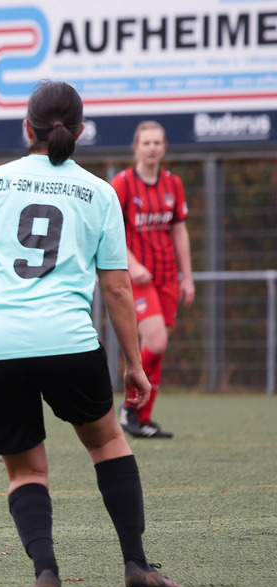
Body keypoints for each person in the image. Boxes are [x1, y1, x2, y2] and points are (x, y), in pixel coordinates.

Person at [0, 81, 180, 587]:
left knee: (26, 471)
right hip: (65, 342)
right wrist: (135, 364)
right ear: (79, 131)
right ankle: (136, 564)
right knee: (108, 442)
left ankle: (46, 573)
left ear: (27, 128)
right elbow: (115, 286)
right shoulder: (100, 192)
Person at [111, 121, 193, 438]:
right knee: (156, 342)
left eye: (157, 142)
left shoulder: (173, 184)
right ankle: (129, 407)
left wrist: (187, 277)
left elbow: (179, 230)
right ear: (136, 147)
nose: (152, 148)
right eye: (146, 142)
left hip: (167, 275)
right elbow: (112, 230)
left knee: (157, 348)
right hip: (139, 277)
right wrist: (130, 264)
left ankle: (143, 419)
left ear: (165, 147)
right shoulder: (123, 183)